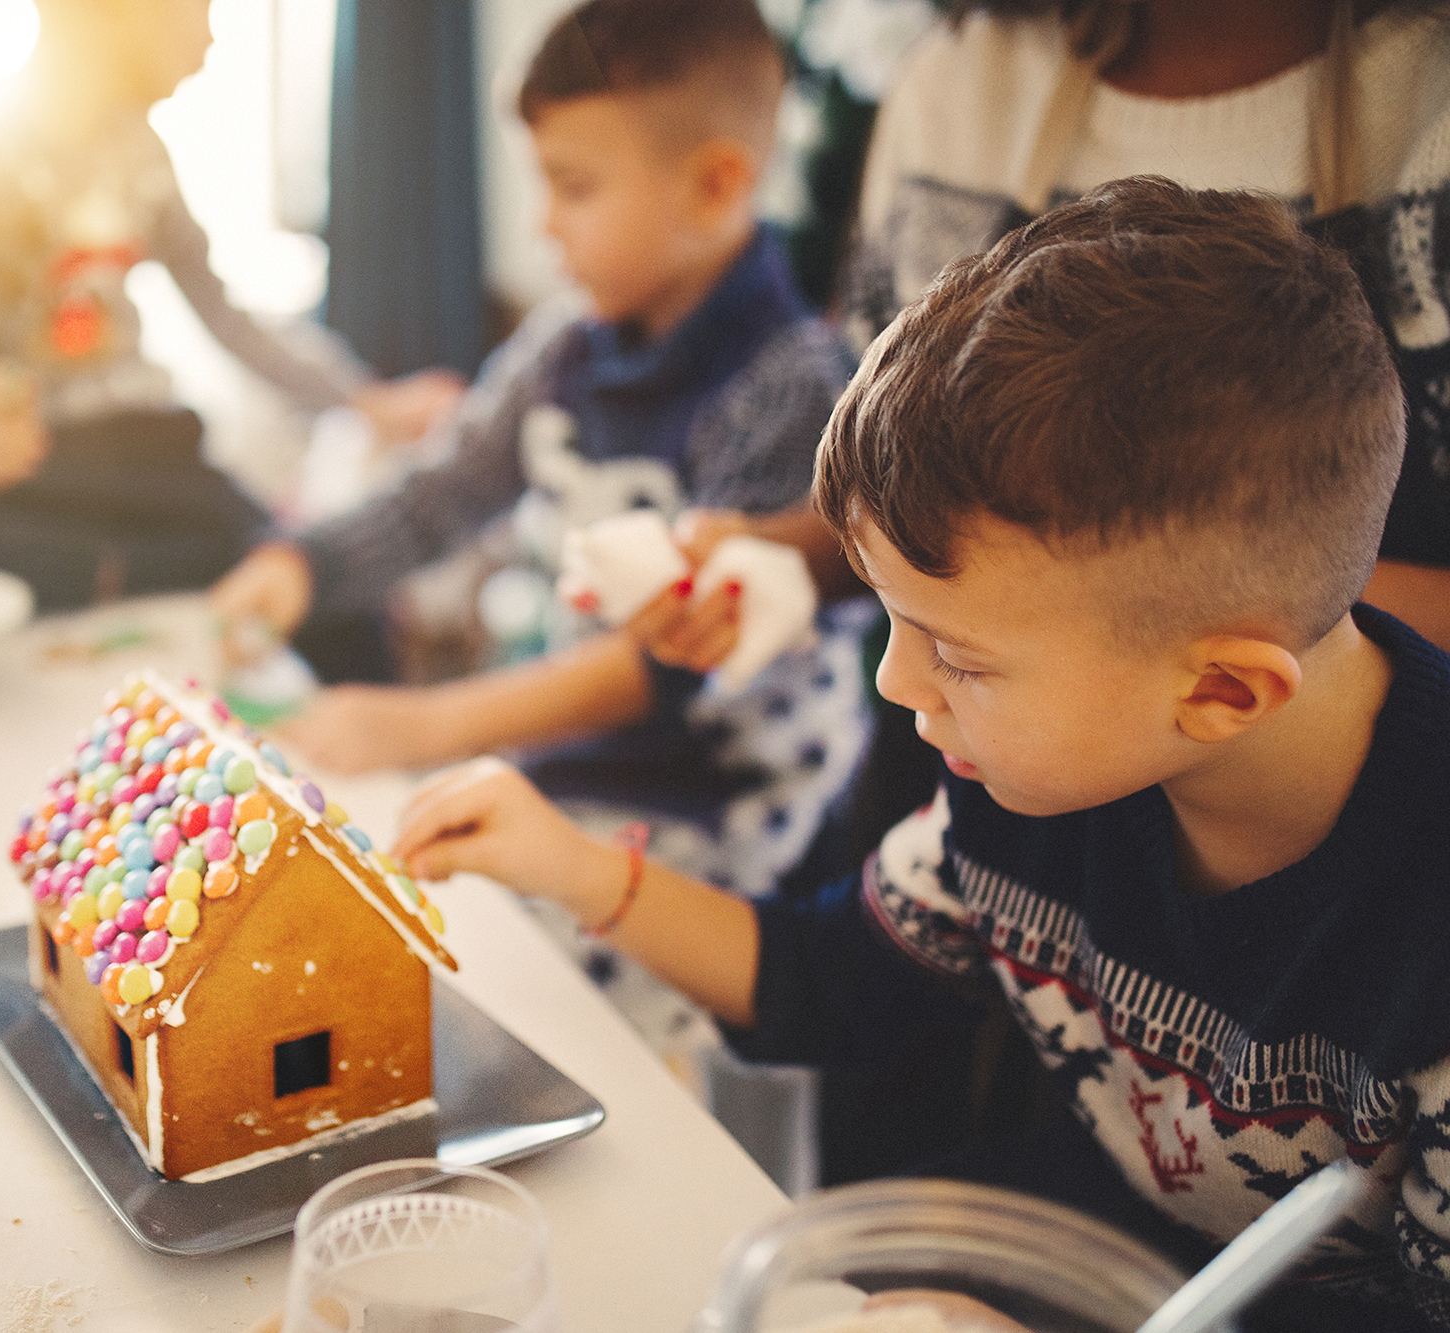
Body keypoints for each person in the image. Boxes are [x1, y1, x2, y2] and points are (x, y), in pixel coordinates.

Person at [394, 179, 1450, 1331]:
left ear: (1220, 691)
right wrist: (569, 863)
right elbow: (821, 980)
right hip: (1081, 1247)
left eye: (956, 654)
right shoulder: (1040, 774)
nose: (896, 684)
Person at [212, 0, 868, 906]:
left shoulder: (794, 388)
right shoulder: (564, 346)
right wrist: (301, 563)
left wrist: (425, 725)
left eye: (574, 186)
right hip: (574, 770)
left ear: (716, 186)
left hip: (723, 816)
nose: (542, 225)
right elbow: (442, 494)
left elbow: (671, 665)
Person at [639, 0, 1450, 670]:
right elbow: (914, 482)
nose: (896, 684)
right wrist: (785, 555)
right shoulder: (959, 83)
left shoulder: (1429, 95)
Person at [0, 0, 461, 628]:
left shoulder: (141, 153)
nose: (209, 39)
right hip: (32, 470)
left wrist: (364, 401)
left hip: (149, 457)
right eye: (199, 6)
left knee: (323, 585)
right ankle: (128, 572)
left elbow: (229, 318)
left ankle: (104, 574)